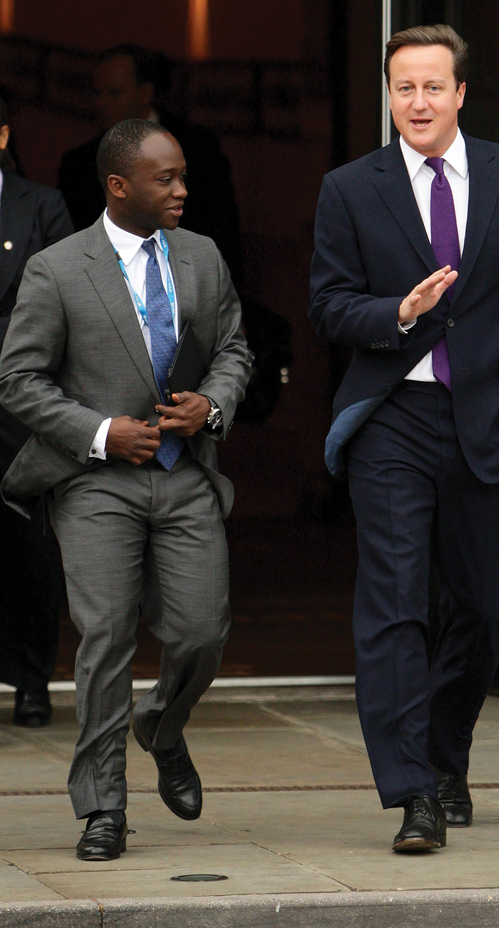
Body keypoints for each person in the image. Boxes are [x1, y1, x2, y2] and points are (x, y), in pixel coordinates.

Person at [309, 25, 499, 853]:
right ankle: (414, 791)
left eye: (431, 87)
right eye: (401, 89)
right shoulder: (351, 188)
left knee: (479, 616)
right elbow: (329, 305)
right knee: (392, 608)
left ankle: (446, 757)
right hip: (395, 419)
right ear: (389, 99)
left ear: (461, 94)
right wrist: (399, 314)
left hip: (493, 419)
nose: (415, 102)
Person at [0, 118, 252, 861]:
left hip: (186, 478)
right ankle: (102, 805)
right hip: (95, 483)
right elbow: (17, 379)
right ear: (118, 186)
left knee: (202, 633)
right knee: (106, 637)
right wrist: (104, 432)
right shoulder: (57, 268)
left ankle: (162, 727)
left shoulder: (201, 256)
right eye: (165, 179)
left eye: (181, 176)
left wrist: (212, 403)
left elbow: (234, 348)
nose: (182, 189)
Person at [0, 93, 73, 727]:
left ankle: (30, 679)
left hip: (19, 403)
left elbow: (61, 303)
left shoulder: (41, 205)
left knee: (30, 544)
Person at [57, 44, 242, 286]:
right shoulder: (79, 166)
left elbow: (222, 235)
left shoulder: (198, 150)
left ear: (145, 94)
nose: (101, 103)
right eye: (97, 93)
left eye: (113, 93)